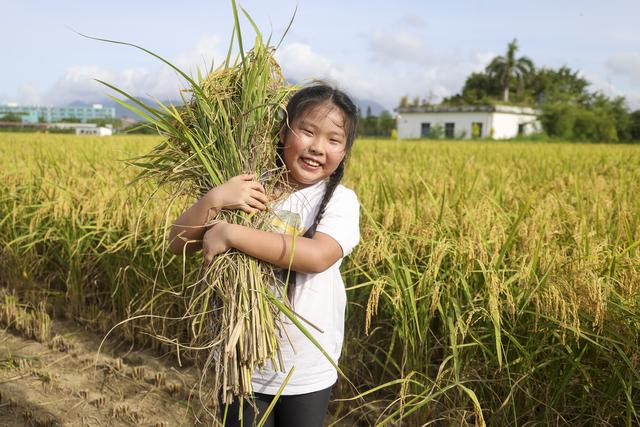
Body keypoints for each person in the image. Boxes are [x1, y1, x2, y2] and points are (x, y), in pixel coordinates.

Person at [168, 82, 360, 427]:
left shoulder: (338, 200)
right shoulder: (249, 189)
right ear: (283, 132)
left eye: (333, 140)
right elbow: (178, 243)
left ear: (344, 152)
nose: (318, 147)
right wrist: (215, 199)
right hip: (240, 361)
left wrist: (231, 233)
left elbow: (317, 256)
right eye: (307, 131)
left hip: (304, 364)